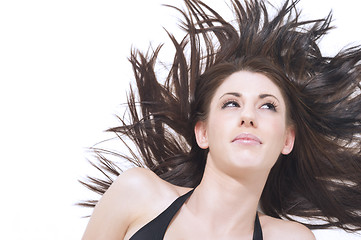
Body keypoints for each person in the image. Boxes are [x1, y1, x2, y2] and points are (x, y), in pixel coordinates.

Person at [80, 0, 361, 239]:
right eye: (231, 103)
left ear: (287, 139)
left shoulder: (291, 237)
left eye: (267, 106)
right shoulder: (137, 194)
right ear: (202, 133)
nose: (248, 116)